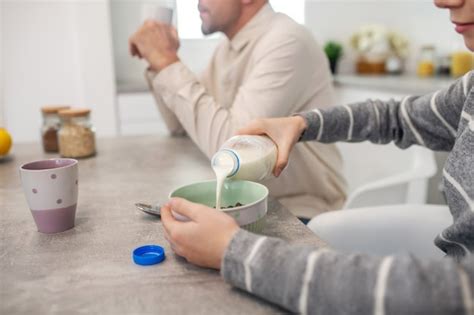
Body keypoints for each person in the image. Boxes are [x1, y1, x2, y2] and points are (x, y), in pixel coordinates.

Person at [159, 0, 474, 313]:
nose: (442, 1)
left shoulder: (285, 40)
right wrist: (303, 123)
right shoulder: (470, 89)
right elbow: (396, 118)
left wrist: (235, 251)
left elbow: (452, 293)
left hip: (299, 211)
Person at [128, 0, 346, 219]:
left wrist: (166, 60)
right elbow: (179, 125)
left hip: (300, 212)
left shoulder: (286, 41)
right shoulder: (226, 49)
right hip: (250, 205)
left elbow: (233, 150)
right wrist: (157, 61)